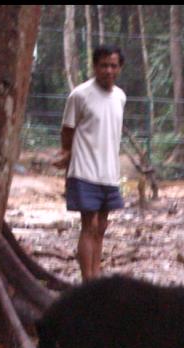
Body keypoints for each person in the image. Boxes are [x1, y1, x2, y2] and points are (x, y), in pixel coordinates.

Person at [53, 46, 127, 281]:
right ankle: (88, 281)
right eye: (104, 65)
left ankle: (96, 275)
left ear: (120, 68)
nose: (108, 70)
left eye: (113, 65)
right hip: (84, 170)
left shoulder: (120, 96)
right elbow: (68, 129)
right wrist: (67, 153)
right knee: (89, 224)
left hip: (109, 172)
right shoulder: (80, 95)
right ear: (95, 67)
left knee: (102, 226)